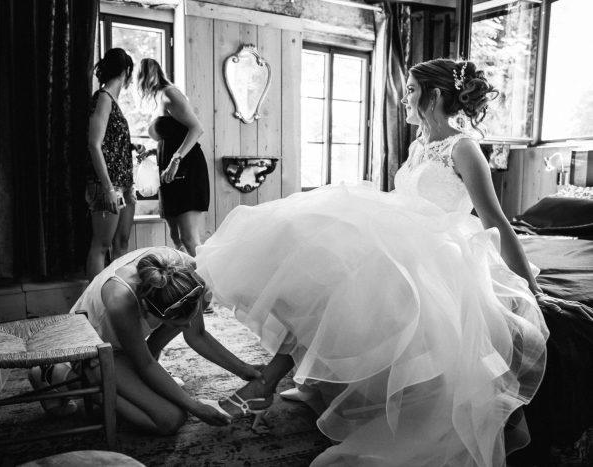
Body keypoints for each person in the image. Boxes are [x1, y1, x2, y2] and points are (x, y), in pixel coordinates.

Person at [195, 59, 592, 466]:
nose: (404, 98)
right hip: (405, 237)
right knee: (315, 256)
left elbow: (495, 220)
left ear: (434, 96)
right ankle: (301, 378)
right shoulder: (418, 144)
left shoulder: (464, 147)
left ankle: (275, 380)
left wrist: (529, 283)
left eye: (411, 91)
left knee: (352, 279)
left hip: (440, 249)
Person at [30, 247, 264, 434]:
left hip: (133, 342)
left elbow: (197, 335)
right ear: (150, 312)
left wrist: (244, 369)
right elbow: (145, 364)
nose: (185, 327)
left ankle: (136, 379)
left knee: (170, 395)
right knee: (171, 419)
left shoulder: (187, 272)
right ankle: (60, 375)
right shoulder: (121, 301)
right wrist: (193, 405)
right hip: (95, 344)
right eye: (178, 324)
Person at [137, 58, 210, 257]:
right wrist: (153, 152)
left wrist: (174, 160)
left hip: (185, 168)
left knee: (188, 237)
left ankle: (207, 282)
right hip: (168, 172)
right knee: (175, 237)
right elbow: (173, 135)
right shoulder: (157, 100)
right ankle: (183, 281)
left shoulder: (170, 93)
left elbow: (196, 129)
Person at [86, 48, 145, 280]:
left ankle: (118, 295)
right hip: (107, 185)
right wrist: (109, 189)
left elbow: (109, 141)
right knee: (101, 245)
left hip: (125, 184)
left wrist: (130, 147)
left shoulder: (114, 102)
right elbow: (94, 144)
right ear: (126, 71)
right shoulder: (103, 98)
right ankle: (96, 303)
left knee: (122, 242)